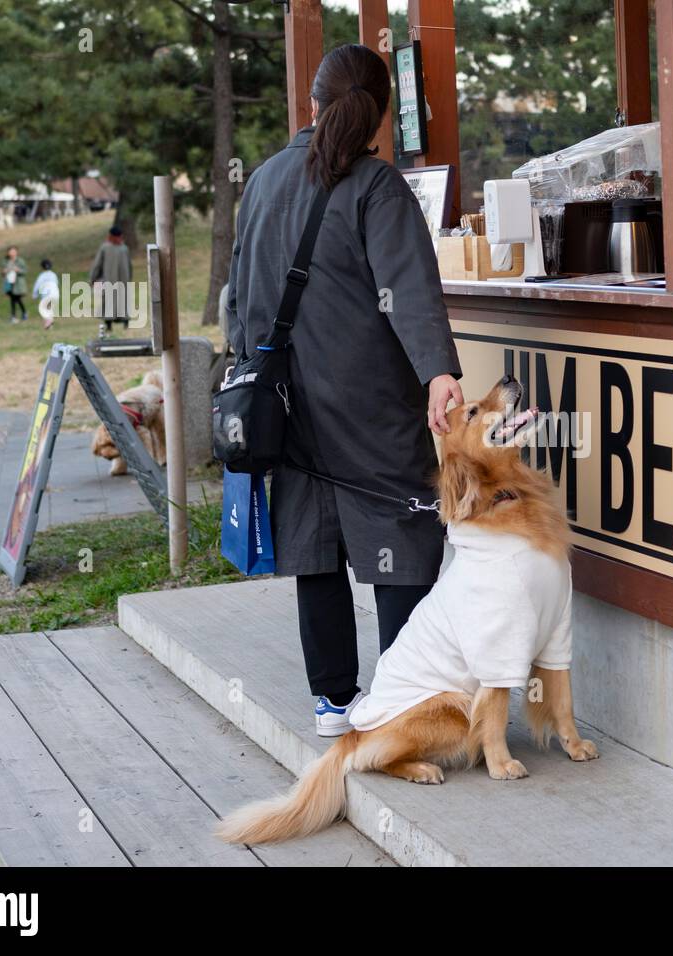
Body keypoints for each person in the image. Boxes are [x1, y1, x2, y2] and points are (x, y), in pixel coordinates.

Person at [226, 43, 464, 737]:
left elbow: (239, 298)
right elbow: (409, 292)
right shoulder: (377, 185)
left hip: (286, 402)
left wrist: (251, 371)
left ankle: (333, 701)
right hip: (368, 400)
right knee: (400, 529)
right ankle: (402, 698)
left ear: (312, 102)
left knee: (314, 545)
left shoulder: (265, 180)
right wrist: (438, 373)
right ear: (382, 116)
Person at [89, 225, 133, 334]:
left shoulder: (105, 248)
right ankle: (125, 322)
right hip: (124, 281)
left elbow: (97, 265)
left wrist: (92, 278)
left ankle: (109, 325)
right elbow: (130, 266)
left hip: (109, 280)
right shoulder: (125, 248)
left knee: (109, 301)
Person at [1, 246, 28, 323]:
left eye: (13, 251)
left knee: (18, 299)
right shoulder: (6, 261)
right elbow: (2, 272)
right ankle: (14, 316)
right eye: (10, 251)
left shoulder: (20, 261)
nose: (11, 253)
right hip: (9, 282)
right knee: (12, 299)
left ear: (16, 252)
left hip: (18, 283)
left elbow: (25, 271)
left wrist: (18, 270)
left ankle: (23, 313)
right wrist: (4, 271)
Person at [33, 258, 60, 329]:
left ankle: (49, 322)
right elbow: (57, 283)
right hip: (55, 293)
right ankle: (50, 324)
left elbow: (37, 285)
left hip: (46, 294)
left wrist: (34, 295)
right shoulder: (53, 274)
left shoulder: (42, 275)